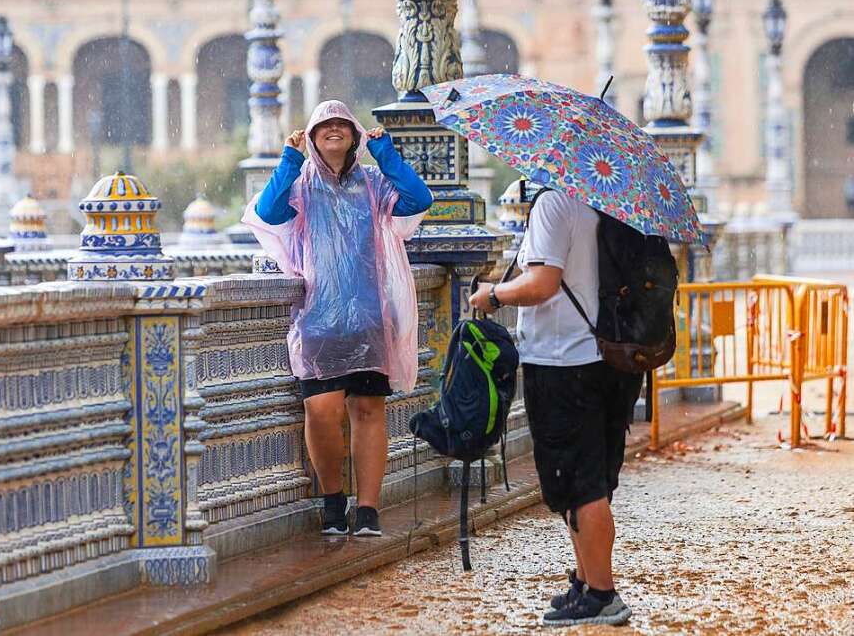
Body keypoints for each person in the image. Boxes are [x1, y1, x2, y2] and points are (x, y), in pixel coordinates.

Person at [243, 100, 432, 537]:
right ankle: (333, 500)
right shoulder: (301, 185)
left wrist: (386, 154)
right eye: (323, 125)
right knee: (322, 410)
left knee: (368, 409)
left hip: (369, 317)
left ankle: (367, 509)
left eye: (342, 124)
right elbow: (268, 213)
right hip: (320, 320)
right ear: (311, 136)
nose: (333, 129)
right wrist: (289, 160)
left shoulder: (373, 183)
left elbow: (418, 199)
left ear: (354, 135)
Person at [469, 187, 639, 628]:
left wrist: (494, 294)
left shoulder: (554, 202)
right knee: (594, 480)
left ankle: (603, 594)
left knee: (579, 485)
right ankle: (586, 583)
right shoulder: (610, 200)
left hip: (565, 362)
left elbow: (542, 285)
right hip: (611, 357)